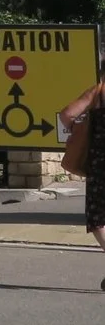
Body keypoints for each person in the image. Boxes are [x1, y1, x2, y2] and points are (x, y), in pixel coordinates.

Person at [62, 78, 105, 287]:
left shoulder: (99, 92)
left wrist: (76, 129)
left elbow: (67, 114)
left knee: (98, 218)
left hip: (101, 164)